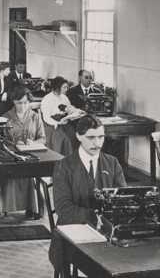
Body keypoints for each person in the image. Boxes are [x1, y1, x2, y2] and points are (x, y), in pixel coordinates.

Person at [49, 115, 127, 271]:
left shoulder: (112, 163)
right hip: (73, 229)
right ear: (78, 136)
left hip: (107, 230)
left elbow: (123, 199)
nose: (97, 143)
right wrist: (94, 217)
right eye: (90, 137)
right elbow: (63, 208)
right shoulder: (64, 166)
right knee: (96, 264)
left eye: (100, 137)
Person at [0, 86, 45, 217]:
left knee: (31, 175)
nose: (23, 106)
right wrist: (14, 144)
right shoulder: (6, 117)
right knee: (14, 174)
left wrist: (34, 143)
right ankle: (8, 208)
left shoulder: (35, 116)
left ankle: (32, 209)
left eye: (25, 102)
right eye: (19, 103)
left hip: (31, 155)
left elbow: (42, 138)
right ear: (13, 102)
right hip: (12, 156)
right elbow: (2, 140)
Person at [41, 76, 82, 151]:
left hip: (65, 123)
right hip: (53, 125)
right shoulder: (47, 99)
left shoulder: (64, 97)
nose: (67, 89)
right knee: (66, 140)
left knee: (76, 137)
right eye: (64, 87)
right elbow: (46, 117)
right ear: (57, 87)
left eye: (67, 87)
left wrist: (76, 112)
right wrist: (57, 123)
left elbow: (69, 109)